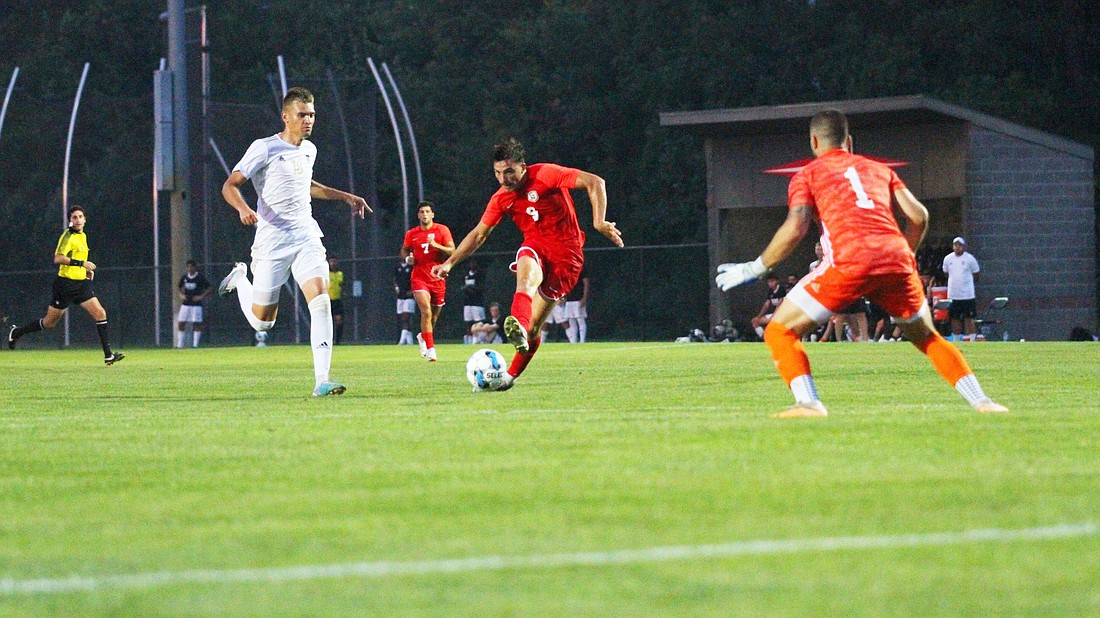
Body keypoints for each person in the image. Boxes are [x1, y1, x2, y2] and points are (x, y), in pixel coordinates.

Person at [715, 109, 1006, 417]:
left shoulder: (808, 174)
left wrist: (755, 267)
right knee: (927, 338)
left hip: (850, 259)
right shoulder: (880, 170)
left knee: (779, 331)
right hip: (895, 260)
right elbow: (919, 216)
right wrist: (905, 254)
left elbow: (797, 224)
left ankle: (809, 403)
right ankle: (983, 402)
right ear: (849, 142)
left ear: (814, 141)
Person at [431, 138, 623, 390]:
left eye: (509, 171)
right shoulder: (501, 198)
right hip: (535, 245)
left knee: (534, 330)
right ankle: (518, 324)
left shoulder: (545, 174)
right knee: (525, 276)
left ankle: (510, 375)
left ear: (523, 167)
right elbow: (479, 234)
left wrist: (599, 221)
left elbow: (595, 181)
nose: (503, 179)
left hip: (567, 256)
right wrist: (450, 263)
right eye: (498, 173)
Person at [217, 86, 371, 397]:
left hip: (306, 236)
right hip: (272, 241)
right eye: (302, 114)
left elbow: (306, 185)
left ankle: (322, 381)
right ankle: (241, 280)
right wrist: (244, 208)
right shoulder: (264, 148)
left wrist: (345, 197)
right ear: (286, 116)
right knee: (263, 324)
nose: (308, 120)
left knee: (321, 299)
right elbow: (230, 185)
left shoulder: (309, 150)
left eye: (312, 114)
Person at [6, 205, 125, 365]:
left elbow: (79, 260)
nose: (77, 220)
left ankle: (108, 356)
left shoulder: (83, 236)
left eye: (80, 217)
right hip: (65, 286)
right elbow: (58, 258)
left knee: (100, 313)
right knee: (49, 323)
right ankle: (17, 332)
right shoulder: (68, 236)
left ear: (85, 219)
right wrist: (82, 264)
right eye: (74, 217)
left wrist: (85, 272)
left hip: (81, 285)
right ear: (70, 220)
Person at [399, 201, 455, 362]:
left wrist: (436, 245)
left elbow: (453, 250)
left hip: (438, 277)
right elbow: (403, 250)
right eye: (422, 212)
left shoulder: (442, 230)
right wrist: (408, 258)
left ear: (432, 214)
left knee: (433, 317)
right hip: (419, 277)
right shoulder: (412, 233)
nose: (424, 214)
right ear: (418, 215)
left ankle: (423, 336)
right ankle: (431, 350)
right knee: (426, 312)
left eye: (427, 211)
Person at [943, 236, 981, 341]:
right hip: (953, 295)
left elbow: (976, 275)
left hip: (967, 295)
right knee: (955, 318)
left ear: (963, 247)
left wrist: (966, 283)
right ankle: (956, 339)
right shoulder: (948, 259)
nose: (957, 247)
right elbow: (946, 273)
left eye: (960, 245)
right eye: (955, 245)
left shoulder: (970, 259)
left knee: (969, 318)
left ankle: (971, 339)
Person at [176, 259, 212, 348]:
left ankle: (195, 345)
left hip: (196, 304)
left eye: (191, 266)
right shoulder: (185, 277)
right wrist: (181, 295)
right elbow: (179, 286)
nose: (190, 268)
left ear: (195, 267)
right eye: (188, 266)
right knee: (181, 323)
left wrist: (201, 296)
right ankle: (180, 345)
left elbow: (209, 288)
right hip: (186, 303)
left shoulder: (200, 277)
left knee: (196, 324)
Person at [750, 274, 787, 340]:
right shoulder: (770, 291)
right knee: (755, 321)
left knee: (773, 323)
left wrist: (774, 316)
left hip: (782, 314)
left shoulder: (781, 289)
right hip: (773, 314)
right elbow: (766, 305)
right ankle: (764, 338)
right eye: (769, 282)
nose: (770, 284)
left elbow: (780, 304)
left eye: (772, 281)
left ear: (777, 281)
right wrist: (759, 316)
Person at [461, 259, 486, 344]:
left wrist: (471, 288)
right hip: (467, 303)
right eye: (471, 263)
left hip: (477, 303)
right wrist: (466, 288)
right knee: (468, 322)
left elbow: (480, 288)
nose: (472, 264)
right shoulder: (466, 275)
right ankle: (468, 340)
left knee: (478, 322)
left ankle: (479, 340)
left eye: (474, 263)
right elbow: (462, 287)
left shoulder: (480, 275)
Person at [563, 267, 590, 343]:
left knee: (580, 320)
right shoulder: (567, 271)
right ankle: (573, 342)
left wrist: (584, 298)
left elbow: (586, 284)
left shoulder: (581, 269)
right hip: (569, 300)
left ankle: (582, 341)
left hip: (578, 299)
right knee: (571, 321)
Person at [394, 258, 416, 345]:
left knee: (406, 317)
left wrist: (412, 290)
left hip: (409, 297)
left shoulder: (411, 267)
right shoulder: (397, 267)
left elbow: (415, 279)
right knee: (402, 318)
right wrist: (396, 288)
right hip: (400, 296)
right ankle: (410, 341)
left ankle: (402, 340)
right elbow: (394, 279)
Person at [327, 256, 346, 345]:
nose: (333, 263)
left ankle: (337, 341)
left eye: (334, 261)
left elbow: (342, 285)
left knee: (339, 320)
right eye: (331, 261)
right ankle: (327, 340)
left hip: (337, 300)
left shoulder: (340, 273)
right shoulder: (326, 273)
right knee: (327, 322)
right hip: (327, 301)